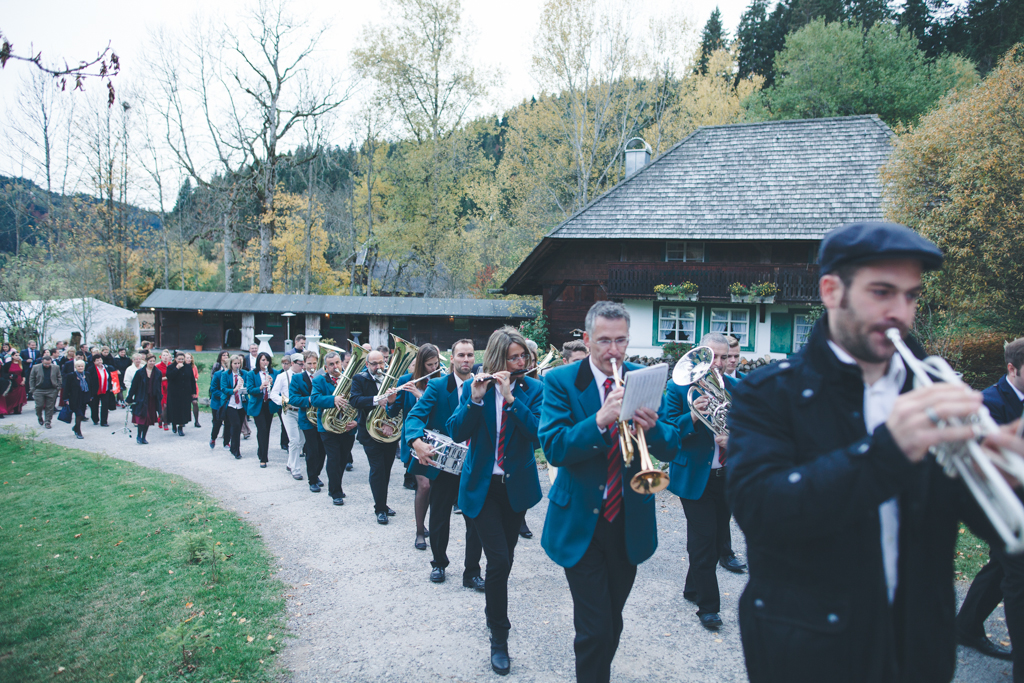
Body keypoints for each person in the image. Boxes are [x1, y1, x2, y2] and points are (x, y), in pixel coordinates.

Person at [726, 221, 1014, 683]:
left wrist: (1004, 475)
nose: (900, 312)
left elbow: (985, 520)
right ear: (831, 290)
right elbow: (761, 510)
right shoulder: (768, 393)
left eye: (911, 295)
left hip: (917, 647)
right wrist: (887, 449)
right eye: (882, 292)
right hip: (807, 651)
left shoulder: (933, 386)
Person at [538, 301, 677, 683]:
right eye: (603, 341)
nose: (613, 351)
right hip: (581, 521)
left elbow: (671, 446)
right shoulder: (561, 382)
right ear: (587, 339)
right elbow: (554, 448)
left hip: (628, 520)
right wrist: (599, 420)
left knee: (611, 621)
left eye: (621, 341)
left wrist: (655, 429)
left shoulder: (643, 378)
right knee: (595, 629)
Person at [448, 326, 543, 676]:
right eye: (513, 357)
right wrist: (474, 399)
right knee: (499, 560)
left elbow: (537, 434)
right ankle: (499, 638)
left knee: (505, 562)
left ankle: (496, 627)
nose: (520, 362)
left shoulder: (534, 389)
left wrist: (512, 400)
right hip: (482, 487)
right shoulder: (478, 387)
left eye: (523, 357)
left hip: (514, 489)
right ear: (498, 358)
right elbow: (457, 431)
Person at [664, 332, 744, 632]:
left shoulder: (737, 388)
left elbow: (754, 429)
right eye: (714, 357)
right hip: (694, 477)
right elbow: (668, 431)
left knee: (716, 535)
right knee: (703, 542)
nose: (720, 363)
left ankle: (692, 588)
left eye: (725, 357)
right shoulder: (677, 388)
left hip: (727, 476)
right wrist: (696, 416)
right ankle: (709, 607)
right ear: (701, 356)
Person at [955, 336, 1024, 662]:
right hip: (999, 501)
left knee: (1002, 567)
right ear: (1013, 368)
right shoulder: (989, 403)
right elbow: (990, 464)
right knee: (1018, 573)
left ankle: (966, 627)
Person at [405, 338, 485, 590]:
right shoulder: (438, 386)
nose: (466, 360)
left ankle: (472, 571)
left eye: (470, 355)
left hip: (473, 463)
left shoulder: (483, 384)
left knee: (475, 520)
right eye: (460, 355)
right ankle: (438, 562)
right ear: (451, 358)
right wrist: (415, 441)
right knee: (439, 516)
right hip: (443, 463)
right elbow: (415, 415)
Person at [389, 344, 441, 548]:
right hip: (414, 439)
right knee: (424, 485)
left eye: (436, 363)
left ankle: (434, 527)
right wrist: (392, 401)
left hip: (436, 440)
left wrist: (421, 397)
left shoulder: (441, 380)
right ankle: (420, 531)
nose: (433, 368)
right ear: (421, 363)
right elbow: (393, 414)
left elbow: (441, 410)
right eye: (429, 365)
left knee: (436, 488)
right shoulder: (406, 381)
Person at [350, 349, 402, 524]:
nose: (379, 366)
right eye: (374, 364)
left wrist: (391, 423)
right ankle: (379, 509)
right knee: (378, 470)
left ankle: (383, 504)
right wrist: (376, 400)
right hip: (369, 433)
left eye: (381, 363)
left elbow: (400, 406)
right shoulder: (359, 379)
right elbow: (354, 400)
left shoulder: (392, 380)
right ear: (367, 365)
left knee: (386, 470)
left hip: (389, 433)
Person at [311, 351, 358, 504]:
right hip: (328, 427)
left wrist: (356, 421)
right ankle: (335, 492)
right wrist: (333, 399)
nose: (335, 366)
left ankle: (336, 487)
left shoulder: (351, 379)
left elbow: (359, 402)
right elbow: (315, 399)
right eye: (331, 364)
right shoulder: (319, 380)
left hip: (347, 427)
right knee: (333, 458)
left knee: (343, 459)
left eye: (337, 363)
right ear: (326, 367)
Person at [289, 350, 327, 492]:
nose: (312, 366)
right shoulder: (297, 378)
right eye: (309, 363)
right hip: (307, 419)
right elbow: (293, 399)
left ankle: (316, 475)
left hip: (322, 418)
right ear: (303, 363)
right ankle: (312, 480)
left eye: (314, 363)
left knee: (323, 450)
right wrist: (310, 399)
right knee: (312, 450)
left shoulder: (322, 377)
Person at [271, 353, 305, 479]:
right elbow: (273, 394)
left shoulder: (303, 376)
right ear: (292, 363)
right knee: (294, 440)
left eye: (303, 364)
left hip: (302, 410)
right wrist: (284, 401)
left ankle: (290, 463)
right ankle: (295, 469)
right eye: (300, 364)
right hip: (288, 411)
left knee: (302, 440)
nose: (302, 366)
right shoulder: (282, 377)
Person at [245, 351, 279, 468]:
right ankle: (263, 458)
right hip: (258, 404)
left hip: (268, 404)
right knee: (262, 429)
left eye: (267, 360)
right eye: (263, 360)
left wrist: (272, 382)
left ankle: (262, 452)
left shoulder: (274, 373)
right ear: (258, 361)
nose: (265, 362)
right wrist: (260, 387)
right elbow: (249, 390)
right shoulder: (252, 374)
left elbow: (278, 389)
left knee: (266, 430)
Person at [217, 355, 248, 459]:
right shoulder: (226, 374)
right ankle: (236, 450)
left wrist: (244, 386)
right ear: (231, 364)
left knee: (238, 428)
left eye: (239, 363)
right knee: (236, 425)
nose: (237, 365)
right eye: (235, 363)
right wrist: (234, 389)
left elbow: (248, 387)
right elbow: (224, 388)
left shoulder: (244, 374)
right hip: (230, 404)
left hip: (241, 404)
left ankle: (233, 447)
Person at [127, 354, 162, 444]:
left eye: (154, 361)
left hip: (152, 399)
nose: (152, 363)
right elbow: (134, 386)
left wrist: (159, 399)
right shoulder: (140, 373)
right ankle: (139, 436)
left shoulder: (158, 373)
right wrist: (129, 398)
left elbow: (159, 387)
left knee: (148, 419)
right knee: (142, 418)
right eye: (150, 361)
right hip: (141, 398)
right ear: (146, 361)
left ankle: (144, 437)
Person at [166, 351, 197, 436]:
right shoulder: (171, 367)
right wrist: (177, 368)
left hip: (185, 392)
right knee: (175, 409)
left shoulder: (188, 367)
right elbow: (169, 376)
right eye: (179, 359)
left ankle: (181, 427)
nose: (181, 361)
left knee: (183, 409)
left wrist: (193, 391)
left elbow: (192, 380)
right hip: (174, 392)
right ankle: (174, 424)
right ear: (175, 359)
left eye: (182, 359)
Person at [29, 354, 61, 428]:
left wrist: (58, 387)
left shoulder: (56, 367)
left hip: (51, 389)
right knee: (39, 406)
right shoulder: (36, 367)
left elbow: (59, 377)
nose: (47, 365)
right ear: (42, 361)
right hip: (39, 389)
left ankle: (48, 422)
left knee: (50, 407)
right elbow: (32, 378)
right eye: (45, 364)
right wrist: (33, 389)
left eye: (49, 364)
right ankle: (39, 416)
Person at [61, 359, 91, 439]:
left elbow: (90, 386)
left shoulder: (87, 374)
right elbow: (66, 388)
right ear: (75, 367)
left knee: (82, 415)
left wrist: (90, 396)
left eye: (82, 366)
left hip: (84, 397)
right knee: (78, 414)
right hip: (74, 398)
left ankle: (75, 427)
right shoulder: (71, 376)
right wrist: (66, 399)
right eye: (78, 366)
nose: (80, 368)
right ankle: (78, 432)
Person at [208, 351, 231, 450]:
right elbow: (213, 389)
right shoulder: (217, 374)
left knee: (228, 423)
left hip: (229, 403)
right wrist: (223, 394)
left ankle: (226, 442)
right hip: (218, 403)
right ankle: (213, 438)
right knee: (217, 422)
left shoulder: (232, 375)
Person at [2, 351, 28, 415]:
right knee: (11, 395)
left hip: (20, 381)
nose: (18, 357)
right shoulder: (8, 364)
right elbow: (3, 373)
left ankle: (17, 409)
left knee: (19, 395)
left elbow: (23, 373)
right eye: (16, 355)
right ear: (12, 356)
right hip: (12, 381)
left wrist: (23, 381)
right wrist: (9, 376)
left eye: (18, 355)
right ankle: (10, 408)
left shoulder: (21, 364)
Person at [277, 354, 291, 451]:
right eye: (283, 363)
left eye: (286, 363)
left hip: (292, 403)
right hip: (283, 402)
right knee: (284, 424)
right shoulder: (280, 374)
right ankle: (284, 442)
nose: (284, 365)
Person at [155, 349, 172, 430]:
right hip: (162, 387)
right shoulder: (157, 366)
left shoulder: (171, 365)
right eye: (163, 355)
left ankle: (163, 418)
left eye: (167, 355)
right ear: (161, 357)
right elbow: (156, 378)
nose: (165, 357)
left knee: (169, 404)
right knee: (164, 405)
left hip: (170, 387)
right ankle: (164, 422)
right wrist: (166, 377)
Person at [184, 352, 201, 428]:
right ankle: (183, 420)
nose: (189, 359)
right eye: (187, 358)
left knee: (194, 402)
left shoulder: (194, 367)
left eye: (190, 358)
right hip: (185, 388)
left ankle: (196, 421)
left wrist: (195, 379)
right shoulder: (182, 367)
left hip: (193, 387)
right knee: (184, 404)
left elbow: (196, 376)